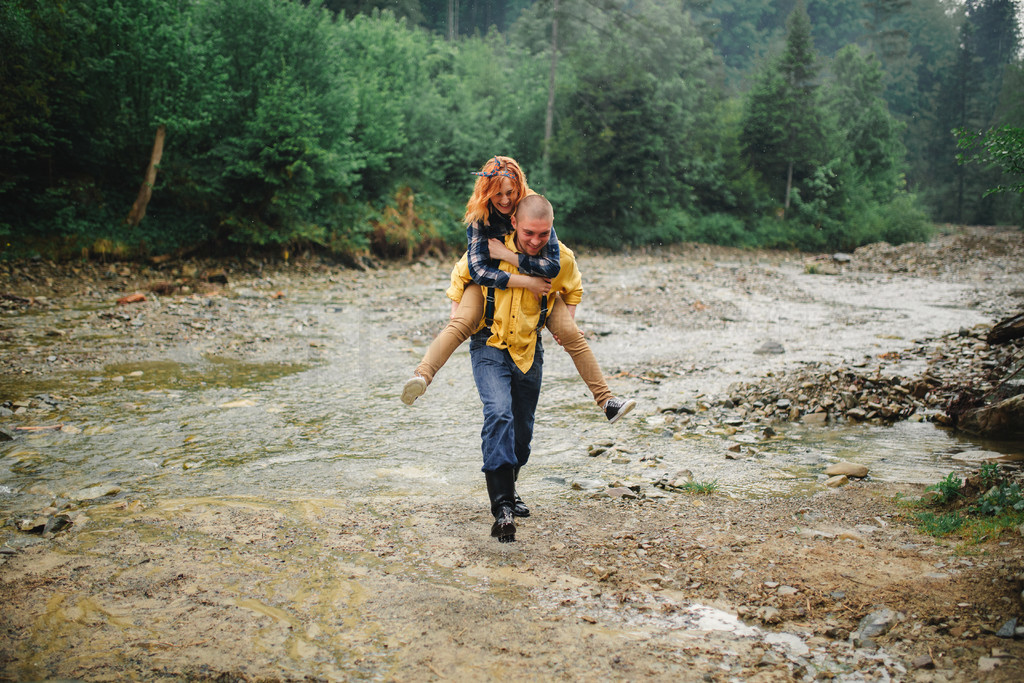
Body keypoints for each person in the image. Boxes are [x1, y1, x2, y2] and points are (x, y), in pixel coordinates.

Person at [400, 156, 635, 431]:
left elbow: (555, 267)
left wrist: (508, 256)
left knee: (571, 335)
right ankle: (422, 376)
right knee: (461, 324)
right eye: (497, 193)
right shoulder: (481, 216)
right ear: (487, 193)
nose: (505, 199)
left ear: (519, 188)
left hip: (539, 289)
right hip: (488, 286)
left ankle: (607, 402)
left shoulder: (534, 210)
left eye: (510, 192)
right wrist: (519, 282)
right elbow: (474, 271)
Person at [446, 193, 584, 542]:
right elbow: (460, 279)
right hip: (488, 343)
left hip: (528, 349)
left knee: (522, 434)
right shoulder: (488, 249)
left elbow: (573, 288)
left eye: (543, 234)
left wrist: (567, 322)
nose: (536, 241)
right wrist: (456, 318)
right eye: (529, 233)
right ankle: (503, 508)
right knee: (499, 414)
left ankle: (511, 485)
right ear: (514, 224)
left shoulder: (560, 257)